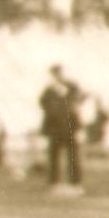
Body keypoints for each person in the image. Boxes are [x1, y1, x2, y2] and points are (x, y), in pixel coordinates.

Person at [39, 65, 85, 196]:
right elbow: (43, 104)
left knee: (73, 155)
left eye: (58, 73)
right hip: (55, 127)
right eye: (54, 74)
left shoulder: (72, 86)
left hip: (70, 126)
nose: (57, 76)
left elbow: (79, 98)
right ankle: (54, 183)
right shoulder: (49, 90)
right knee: (54, 155)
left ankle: (75, 184)